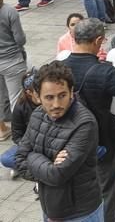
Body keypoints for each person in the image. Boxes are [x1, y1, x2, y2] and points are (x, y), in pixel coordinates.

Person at [62, 18, 115, 222]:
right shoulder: (105, 71)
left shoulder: (58, 68)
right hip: (102, 143)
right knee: (106, 192)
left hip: (67, 144)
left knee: (73, 192)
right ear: (98, 40)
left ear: (73, 37)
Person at [15, 61, 103, 221]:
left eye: (62, 95)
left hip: (81, 214)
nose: (56, 104)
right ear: (37, 96)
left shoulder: (84, 123)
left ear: (71, 92)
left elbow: (57, 175)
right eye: (49, 97)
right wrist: (46, 163)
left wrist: (33, 157)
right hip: (49, 208)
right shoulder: (37, 116)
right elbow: (19, 161)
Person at [0, 0, 27, 141]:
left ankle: (2, 129)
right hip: (12, 61)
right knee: (16, 98)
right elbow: (20, 39)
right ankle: (20, 134)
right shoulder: (9, 11)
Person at [0, 71, 39, 175]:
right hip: (31, 145)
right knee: (5, 158)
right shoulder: (21, 106)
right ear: (29, 93)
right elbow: (17, 135)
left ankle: (29, 167)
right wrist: (28, 146)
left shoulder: (49, 101)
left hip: (50, 144)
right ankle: (34, 167)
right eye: (37, 90)